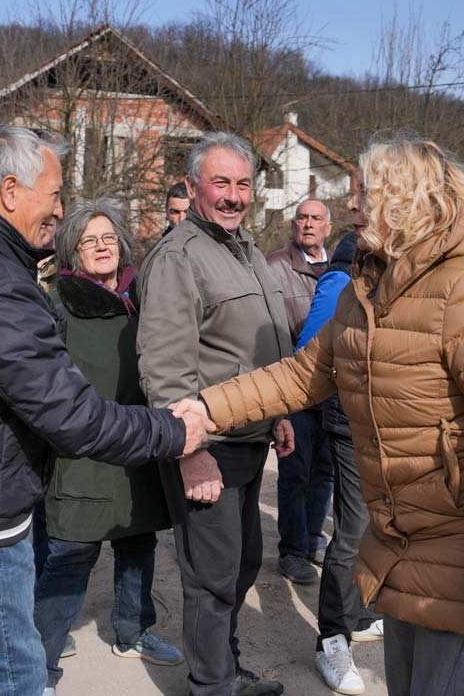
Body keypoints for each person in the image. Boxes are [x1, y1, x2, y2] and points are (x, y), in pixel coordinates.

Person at [181, 131, 464, 696]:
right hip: (403, 542)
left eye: (363, 192)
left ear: (403, 198)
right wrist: (204, 409)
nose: (352, 204)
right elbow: (302, 375)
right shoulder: (367, 289)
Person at [0, 125, 211, 696]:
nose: (59, 210)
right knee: (11, 672)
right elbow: (71, 416)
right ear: (10, 191)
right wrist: (174, 432)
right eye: (53, 196)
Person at [137, 131, 294, 696]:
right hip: (210, 446)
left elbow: (257, 348)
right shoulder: (177, 257)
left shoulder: (245, 249)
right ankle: (211, 685)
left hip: (250, 439)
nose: (234, 195)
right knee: (211, 576)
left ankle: (225, 669)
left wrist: (278, 412)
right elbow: (165, 369)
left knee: (243, 562)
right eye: (221, 182)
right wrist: (192, 453)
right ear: (192, 185)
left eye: (244, 184)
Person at [33, 198, 183, 696]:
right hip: (81, 447)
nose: (101, 247)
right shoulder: (59, 304)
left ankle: (132, 630)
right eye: (89, 241)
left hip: (140, 438)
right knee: (71, 552)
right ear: (72, 252)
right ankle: (41, 663)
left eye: (108, 237)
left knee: (138, 542)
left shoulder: (143, 297)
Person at [293, 231, 382, 695]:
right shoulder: (346, 274)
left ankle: (363, 614)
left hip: (398, 426)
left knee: (384, 527)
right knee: (353, 528)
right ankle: (332, 639)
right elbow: (306, 358)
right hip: (351, 422)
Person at [266, 199, 334, 585]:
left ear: (328, 227)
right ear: (294, 225)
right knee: (295, 472)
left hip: (334, 389)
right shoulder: (277, 266)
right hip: (295, 386)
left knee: (324, 472)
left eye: (316, 219)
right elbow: (269, 329)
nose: (308, 224)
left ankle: (311, 538)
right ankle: (292, 551)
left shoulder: (342, 267)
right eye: (302, 218)